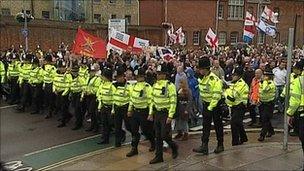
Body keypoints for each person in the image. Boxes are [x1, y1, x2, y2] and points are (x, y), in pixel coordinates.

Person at [148, 63, 178, 164]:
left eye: (160, 73)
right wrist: (151, 113)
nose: (158, 75)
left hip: (165, 113)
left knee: (164, 135)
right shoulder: (155, 85)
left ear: (165, 74)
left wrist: (170, 115)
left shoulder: (170, 86)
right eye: (157, 73)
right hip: (157, 113)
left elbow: (173, 101)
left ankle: (173, 146)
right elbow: (152, 99)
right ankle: (159, 156)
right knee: (158, 136)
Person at [193, 57, 224, 155]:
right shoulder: (202, 78)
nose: (199, 70)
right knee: (205, 126)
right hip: (206, 104)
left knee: (218, 125)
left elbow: (216, 95)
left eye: (201, 69)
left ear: (206, 69)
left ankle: (220, 145)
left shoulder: (214, 79)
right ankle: (204, 146)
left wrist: (210, 107)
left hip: (215, 105)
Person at [126, 67, 155, 157]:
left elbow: (151, 101)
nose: (138, 78)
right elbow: (132, 99)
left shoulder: (147, 87)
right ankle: (134, 149)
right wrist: (130, 109)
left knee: (146, 130)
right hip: (135, 111)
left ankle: (153, 142)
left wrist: (150, 113)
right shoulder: (134, 86)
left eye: (140, 76)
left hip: (144, 111)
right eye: (137, 76)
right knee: (134, 130)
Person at [224, 67, 249, 146]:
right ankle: (243, 137)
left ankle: (235, 142)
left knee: (234, 123)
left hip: (240, 106)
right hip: (235, 106)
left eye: (234, 75)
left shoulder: (241, 84)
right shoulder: (235, 83)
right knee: (238, 123)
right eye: (232, 75)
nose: (232, 76)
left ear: (239, 76)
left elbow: (233, 96)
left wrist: (226, 90)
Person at [286, 62, 304, 169]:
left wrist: (289, 113)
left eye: (295, 68)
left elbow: (295, 100)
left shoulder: (299, 80)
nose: (293, 70)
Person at [112, 66, 132, 147]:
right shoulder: (113, 86)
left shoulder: (129, 86)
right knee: (117, 126)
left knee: (128, 125)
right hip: (117, 108)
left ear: (123, 77)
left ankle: (135, 136)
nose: (117, 79)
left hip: (125, 107)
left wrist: (129, 110)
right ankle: (117, 142)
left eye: (119, 77)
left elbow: (131, 99)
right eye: (116, 77)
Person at [96, 67, 115, 144]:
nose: (101, 77)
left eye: (103, 76)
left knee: (112, 123)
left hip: (110, 108)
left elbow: (114, 99)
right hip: (104, 106)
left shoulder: (112, 87)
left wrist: (113, 110)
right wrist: (100, 107)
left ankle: (121, 133)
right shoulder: (102, 85)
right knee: (104, 123)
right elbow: (100, 96)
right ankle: (105, 139)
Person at [82, 63, 102, 132]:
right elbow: (86, 86)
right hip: (88, 96)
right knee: (91, 112)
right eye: (90, 71)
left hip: (93, 96)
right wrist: (85, 92)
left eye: (92, 71)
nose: (91, 72)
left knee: (93, 111)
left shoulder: (97, 79)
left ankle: (96, 126)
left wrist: (90, 92)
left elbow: (96, 88)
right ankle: (92, 126)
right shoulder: (88, 78)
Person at [52, 60, 73, 128]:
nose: (63, 69)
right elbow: (54, 82)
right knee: (59, 105)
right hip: (58, 92)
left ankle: (63, 121)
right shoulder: (56, 74)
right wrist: (54, 89)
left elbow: (69, 85)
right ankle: (68, 115)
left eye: (64, 67)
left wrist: (64, 93)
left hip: (65, 93)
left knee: (64, 107)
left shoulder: (68, 75)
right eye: (61, 67)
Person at [258, 68, 276, 141]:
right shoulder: (262, 82)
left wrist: (265, 81)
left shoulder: (271, 84)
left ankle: (262, 135)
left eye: (265, 75)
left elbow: (265, 89)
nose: (263, 76)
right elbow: (260, 91)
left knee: (265, 119)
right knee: (264, 119)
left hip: (269, 104)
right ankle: (271, 131)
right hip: (262, 102)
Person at [43, 54, 57, 119]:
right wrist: (43, 84)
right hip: (46, 84)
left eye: (45, 60)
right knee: (47, 99)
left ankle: (50, 112)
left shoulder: (53, 68)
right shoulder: (44, 67)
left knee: (50, 99)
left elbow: (54, 77)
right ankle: (50, 111)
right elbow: (44, 77)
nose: (44, 61)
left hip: (50, 84)